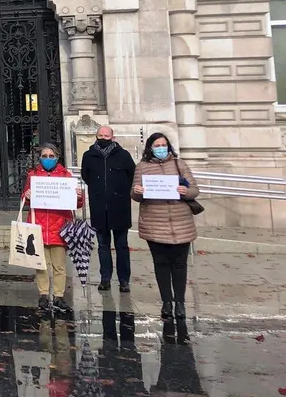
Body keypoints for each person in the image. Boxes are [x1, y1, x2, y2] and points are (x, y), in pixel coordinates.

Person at [132, 132, 199, 320]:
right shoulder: (142, 167)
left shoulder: (180, 165)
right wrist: (138, 192)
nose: (161, 148)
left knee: (179, 264)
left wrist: (186, 191)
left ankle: (180, 303)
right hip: (155, 222)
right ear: (150, 148)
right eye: (156, 145)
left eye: (163, 145)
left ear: (168, 146)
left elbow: (195, 189)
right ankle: (166, 302)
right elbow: (135, 194)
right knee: (161, 264)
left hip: (180, 222)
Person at [22, 142, 83, 312]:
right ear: (39, 158)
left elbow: (77, 204)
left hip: (59, 226)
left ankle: (58, 296)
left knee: (59, 265)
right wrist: (27, 196)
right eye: (44, 156)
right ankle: (43, 295)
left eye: (51, 156)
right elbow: (24, 198)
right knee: (41, 264)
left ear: (57, 157)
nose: (47, 159)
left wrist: (78, 196)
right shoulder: (32, 175)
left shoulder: (66, 176)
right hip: (38, 226)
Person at [81, 125, 136, 293]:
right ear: (96, 136)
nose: (103, 138)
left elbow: (132, 175)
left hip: (120, 208)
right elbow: (86, 176)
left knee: (121, 246)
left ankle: (124, 280)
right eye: (100, 135)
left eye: (106, 135)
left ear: (113, 137)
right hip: (99, 208)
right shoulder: (88, 156)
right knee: (103, 246)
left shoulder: (124, 155)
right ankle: (105, 278)